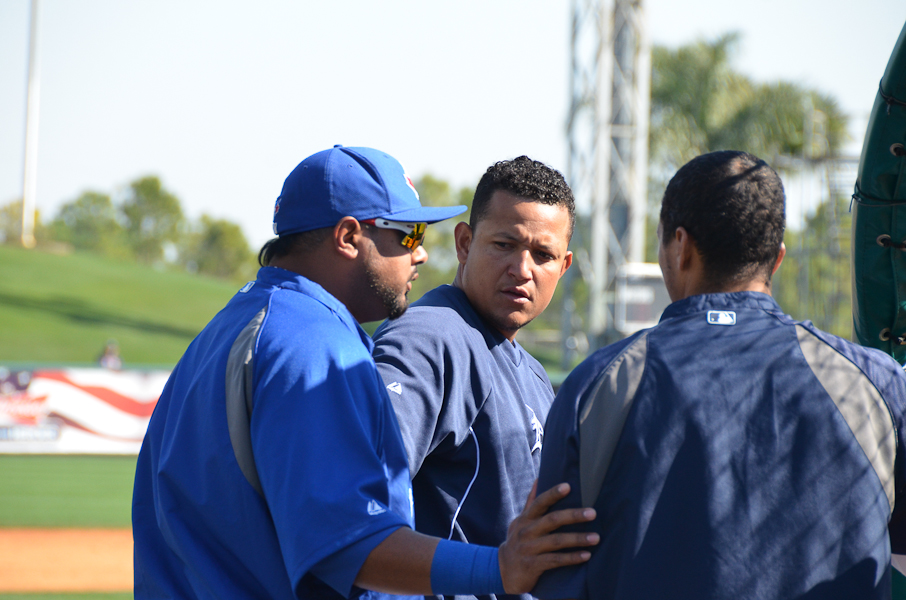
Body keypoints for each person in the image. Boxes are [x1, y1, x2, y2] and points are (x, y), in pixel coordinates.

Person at [132, 145, 597, 600]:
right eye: (410, 234)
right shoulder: (311, 342)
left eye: (543, 254)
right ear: (349, 237)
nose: (420, 254)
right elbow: (349, 542)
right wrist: (497, 568)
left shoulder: (233, 326)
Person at [532, 150, 906, 600]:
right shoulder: (875, 383)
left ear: (680, 246)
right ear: (778, 258)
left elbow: (552, 567)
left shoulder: (600, 383)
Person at [371, 156, 574, 600]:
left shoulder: (534, 374)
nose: (523, 269)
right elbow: (358, 507)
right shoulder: (428, 337)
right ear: (464, 243)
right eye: (504, 244)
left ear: (564, 266)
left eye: (543, 255)